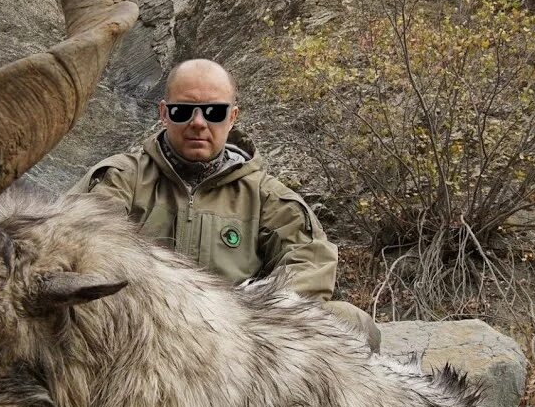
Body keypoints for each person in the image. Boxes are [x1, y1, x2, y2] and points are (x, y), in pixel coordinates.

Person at [71, 59, 381, 353]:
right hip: (140, 330)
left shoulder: (267, 197)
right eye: (183, 111)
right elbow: (79, 244)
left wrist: (249, 311)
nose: (198, 123)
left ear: (232, 117)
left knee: (349, 322)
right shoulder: (120, 178)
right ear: (164, 114)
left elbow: (310, 262)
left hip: (240, 339)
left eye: (214, 112)